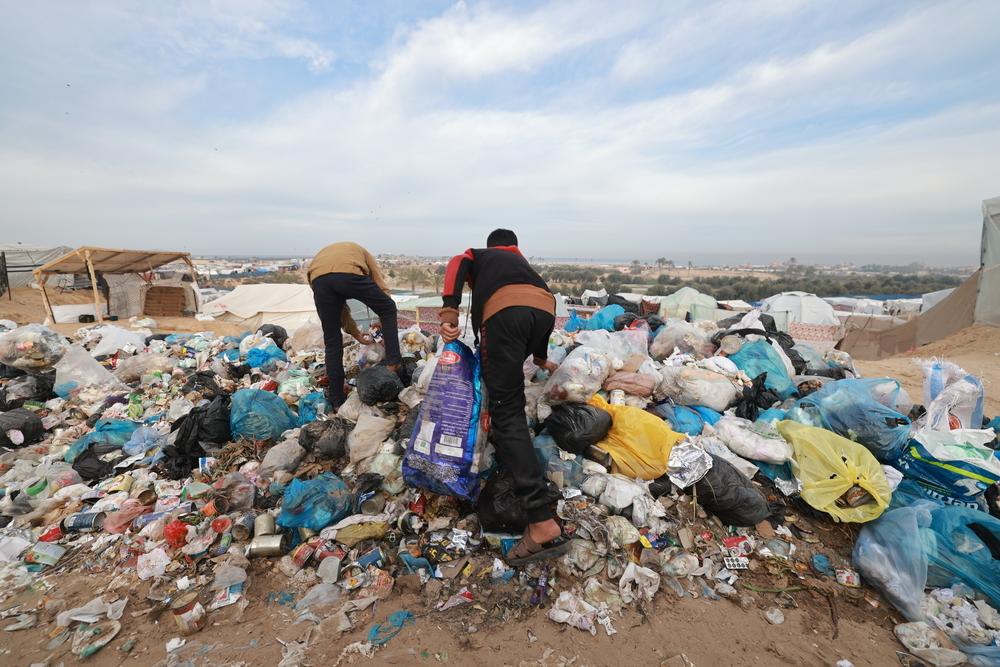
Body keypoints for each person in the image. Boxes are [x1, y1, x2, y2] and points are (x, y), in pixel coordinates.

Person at [439, 228, 569, 564]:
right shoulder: (522, 265)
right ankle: (509, 437)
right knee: (508, 399)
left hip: (505, 317)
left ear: (492, 245)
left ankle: (542, 523)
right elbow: (537, 316)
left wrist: (449, 313)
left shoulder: (481, 255)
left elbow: (457, 263)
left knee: (507, 411)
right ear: (516, 246)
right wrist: (540, 359)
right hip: (544, 312)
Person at [308, 241, 401, 409]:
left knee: (332, 341)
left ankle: (337, 402)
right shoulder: (363, 254)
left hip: (317, 279)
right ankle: (392, 364)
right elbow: (380, 287)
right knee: (388, 308)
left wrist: (356, 333)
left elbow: (340, 309)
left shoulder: (326, 258)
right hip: (348, 273)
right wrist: (383, 314)